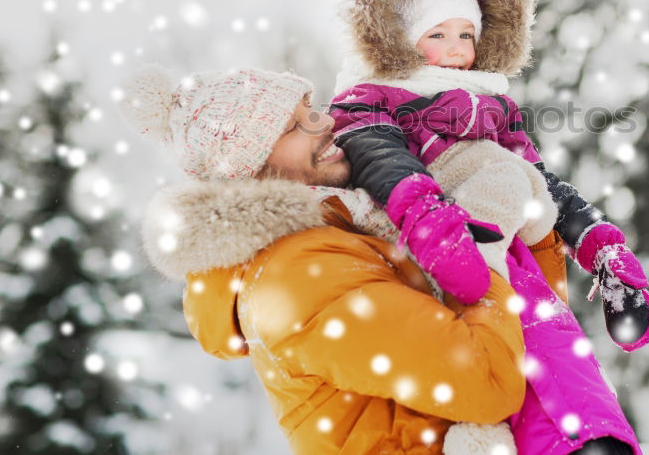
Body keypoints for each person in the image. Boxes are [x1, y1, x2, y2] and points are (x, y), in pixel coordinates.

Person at [329, 0, 649, 454]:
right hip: (428, 250)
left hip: (509, 256)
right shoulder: (366, 99)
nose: (457, 52)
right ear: (392, 34)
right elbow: (382, 159)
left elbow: (534, 178)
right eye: (437, 34)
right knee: (494, 369)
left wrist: (594, 239)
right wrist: (434, 225)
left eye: (467, 35)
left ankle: (590, 442)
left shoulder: (489, 103)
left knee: (556, 359)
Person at [118, 65, 536, 454]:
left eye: (310, 109)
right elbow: (488, 381)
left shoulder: (336, 233)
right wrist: (482, 250)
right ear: (249, 172)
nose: (326, 122)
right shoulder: (299, 274)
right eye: (291, 127)